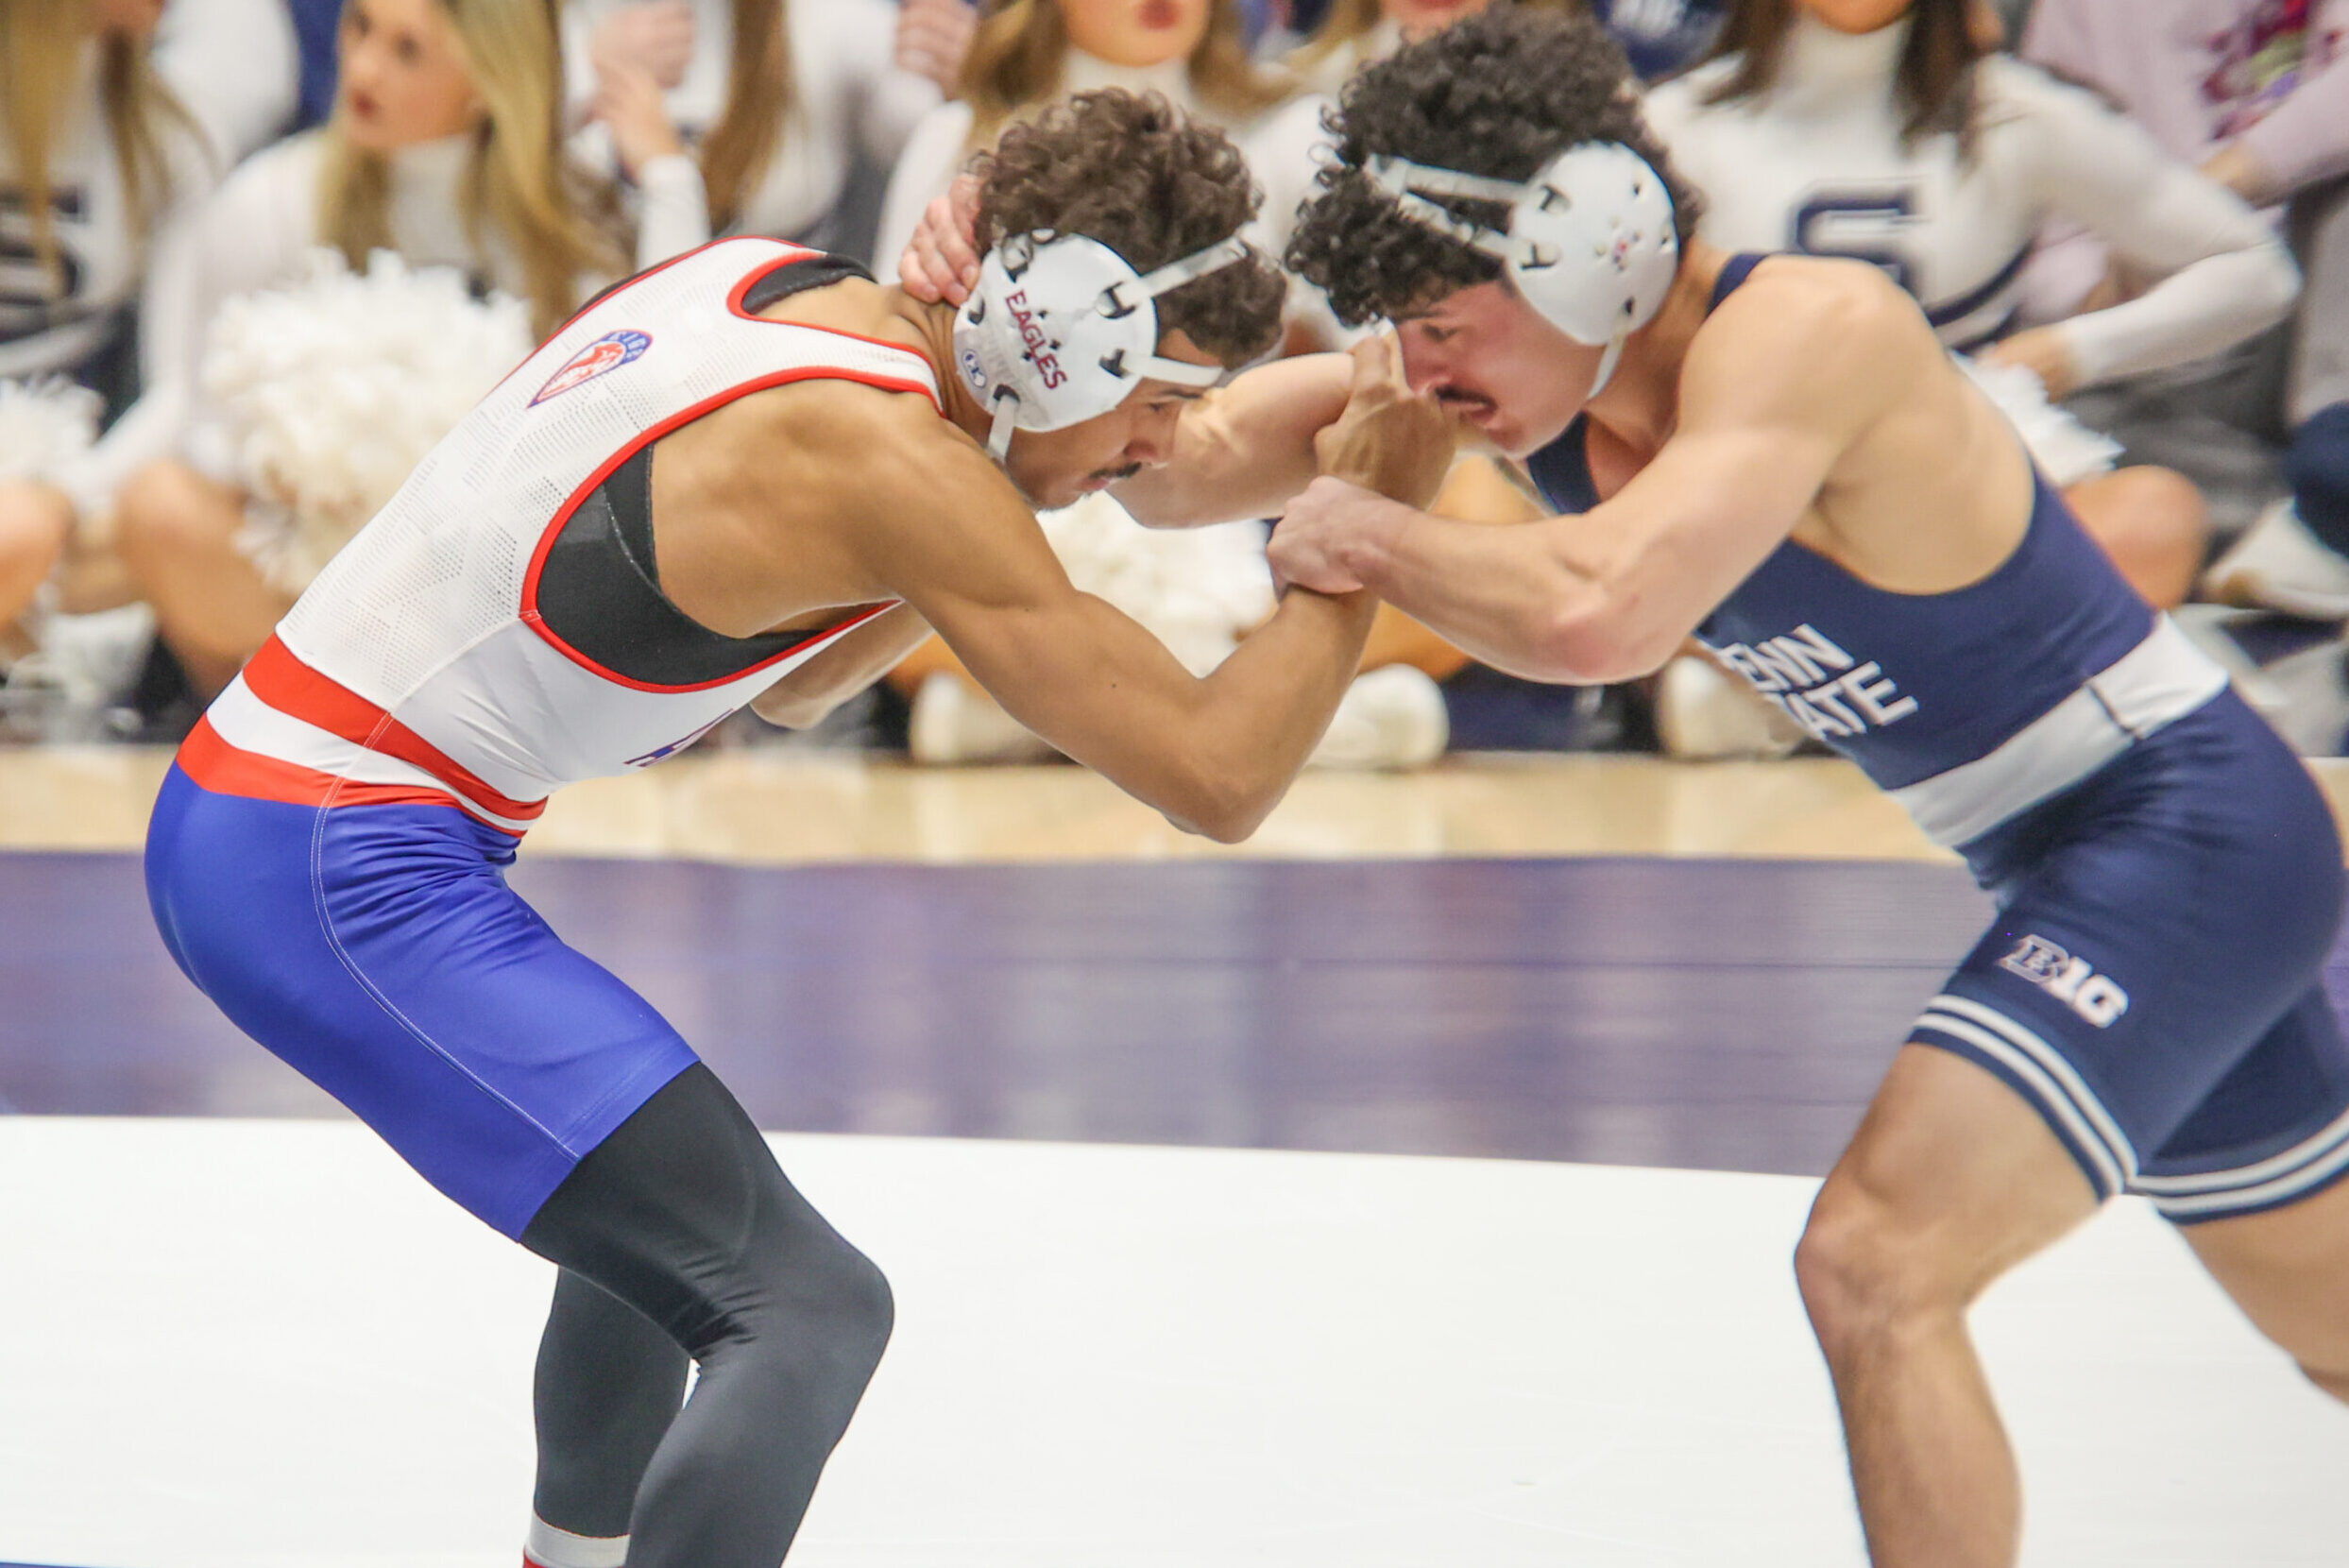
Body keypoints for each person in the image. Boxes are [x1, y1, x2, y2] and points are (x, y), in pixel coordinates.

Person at [912, 11, 2349, 1560]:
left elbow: (1605, 611)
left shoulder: (1812, 334)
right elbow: (1177, 457)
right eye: (1403, 329)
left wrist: (1372, 530)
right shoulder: (1523, 379)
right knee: (2330, 1332)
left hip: (2179, 826)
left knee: (1873, 1264)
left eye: (1444, 325)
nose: (1425, 370)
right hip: (2095, 856)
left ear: (1591, 250)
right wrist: (1000, 285)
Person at [144, 89, 1453, 1568]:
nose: (1157, 446)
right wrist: (1364, 539)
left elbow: (805, 681)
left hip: (283, 818)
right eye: (1150, 400)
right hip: (326, 864)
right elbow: (1216, 778)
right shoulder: (889, 466)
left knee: (654, 1250)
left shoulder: (785, 296)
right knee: (807, 1308)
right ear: (1051, 336)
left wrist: (1384, 402)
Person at [111, 0, 708, 707]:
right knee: (161, 508)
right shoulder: (270, 200)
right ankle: (275, 721)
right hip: (306, 580)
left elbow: (673, 393)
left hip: (490, 594)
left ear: (487, 81)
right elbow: (199, 423)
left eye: (407, 51)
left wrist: (671, 181)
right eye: (359, 27)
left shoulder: (571, 224)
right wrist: (305, 458)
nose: (362, 67)